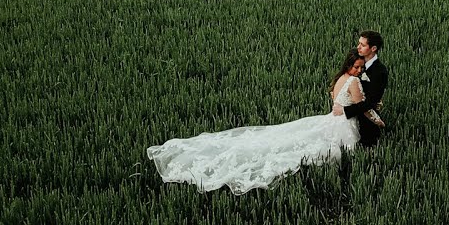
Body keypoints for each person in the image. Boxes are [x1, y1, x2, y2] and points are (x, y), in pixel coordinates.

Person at [146, 50, 374, 195]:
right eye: (356, 67)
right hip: (342, 124)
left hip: (329, 119)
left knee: (289, 138)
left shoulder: (340, 79)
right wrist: (377, 118)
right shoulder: (353, 82)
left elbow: (338, 103)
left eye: (361, 68)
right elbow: (361, 107)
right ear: (349, 67)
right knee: (316, 149)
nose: (359, 71)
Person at [332, 30, 388, 147]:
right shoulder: (356, 62)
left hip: (365, 123)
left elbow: (370, 102)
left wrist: (344, 110)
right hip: (348, 117)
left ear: (373, 48)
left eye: (362, 45)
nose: (358, 47)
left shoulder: (379, 71)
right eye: (359, 43)